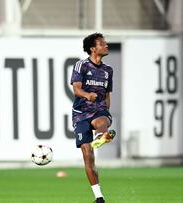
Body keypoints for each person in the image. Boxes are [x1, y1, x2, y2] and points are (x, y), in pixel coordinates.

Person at [70, 33, 116, 203]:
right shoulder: (81, 65)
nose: (106, 46)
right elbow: (76, 89)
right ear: (93, 48)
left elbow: (107, 94)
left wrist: (106, 111)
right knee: (88, 154)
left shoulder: (108, 71)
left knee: (101, 121)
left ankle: (102, 134)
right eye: (102, 43)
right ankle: (99, 197)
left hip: (99, 111)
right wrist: (87, 95)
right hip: (80, 114)